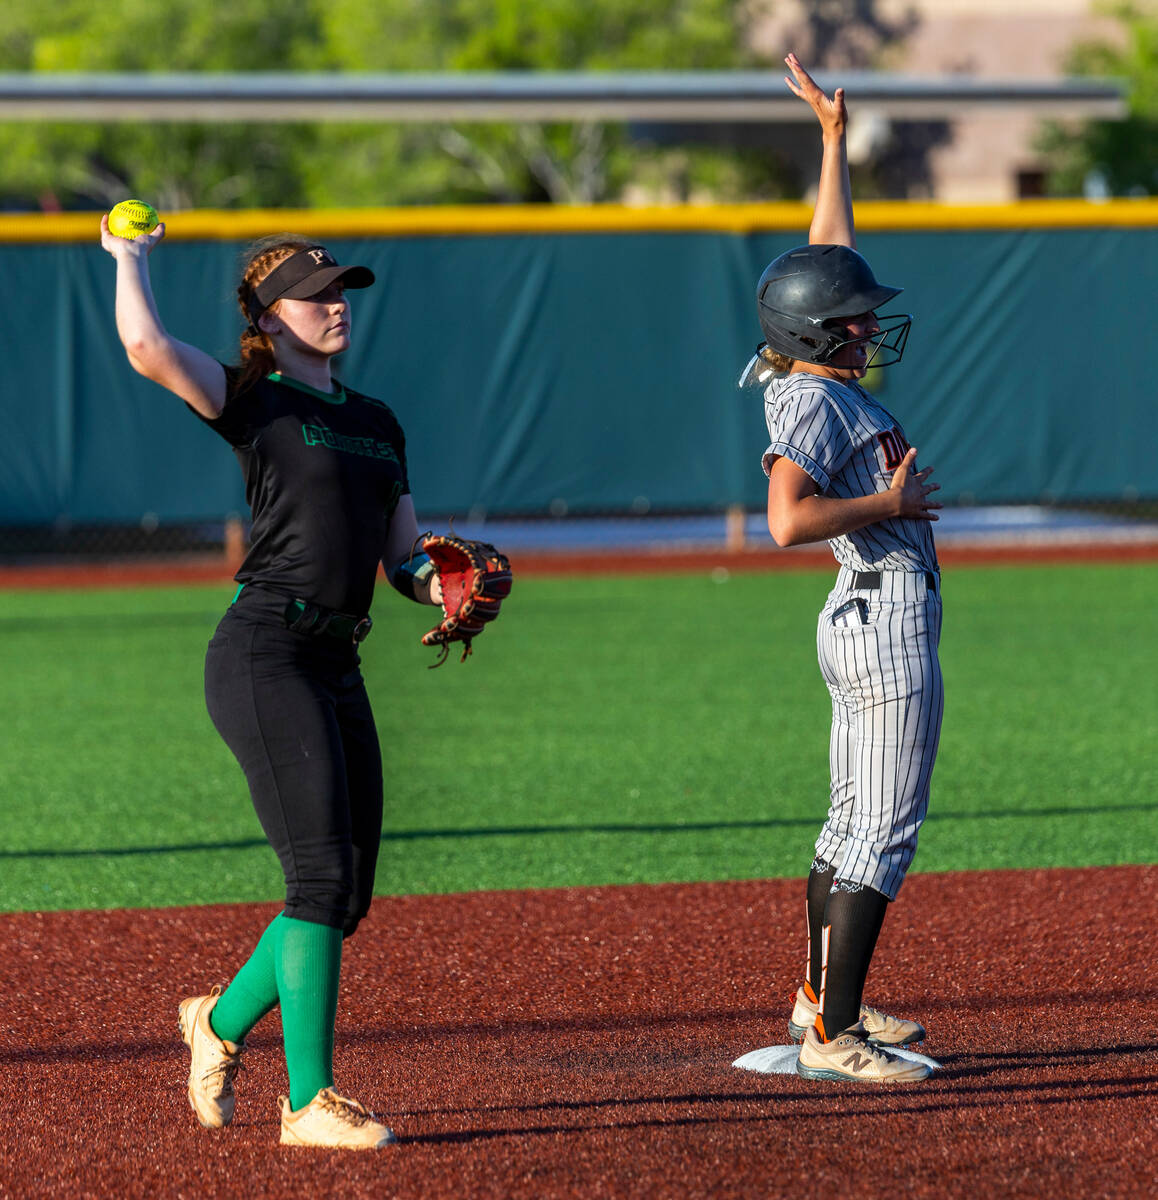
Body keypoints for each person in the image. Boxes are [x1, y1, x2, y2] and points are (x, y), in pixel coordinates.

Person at [101, 222, 452, 1146]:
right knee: (318, 877)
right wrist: (125, 256)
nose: (335, 303)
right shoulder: (256, 397)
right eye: (313, 292)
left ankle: (214, 1023)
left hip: (339, 659)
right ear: (267, 315)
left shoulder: (378, 422)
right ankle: (308, 1103)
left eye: (341, 289)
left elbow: (403, 556)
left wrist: (444, 584)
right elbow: (144, 346)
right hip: (264, 652)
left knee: (347, 896)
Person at [743, 55, 943, 1083]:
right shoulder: (816, 400)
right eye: (854, 318)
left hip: (862, 614)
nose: (869, 324)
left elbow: (829, 256)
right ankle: (834, 1034)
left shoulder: (802, 368)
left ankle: (823, 997)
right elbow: (787, 520)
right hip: (881, 612)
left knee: (852, 820)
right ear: (817, 334)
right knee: (883, 829)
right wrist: (890, 505)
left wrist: (829, 141)